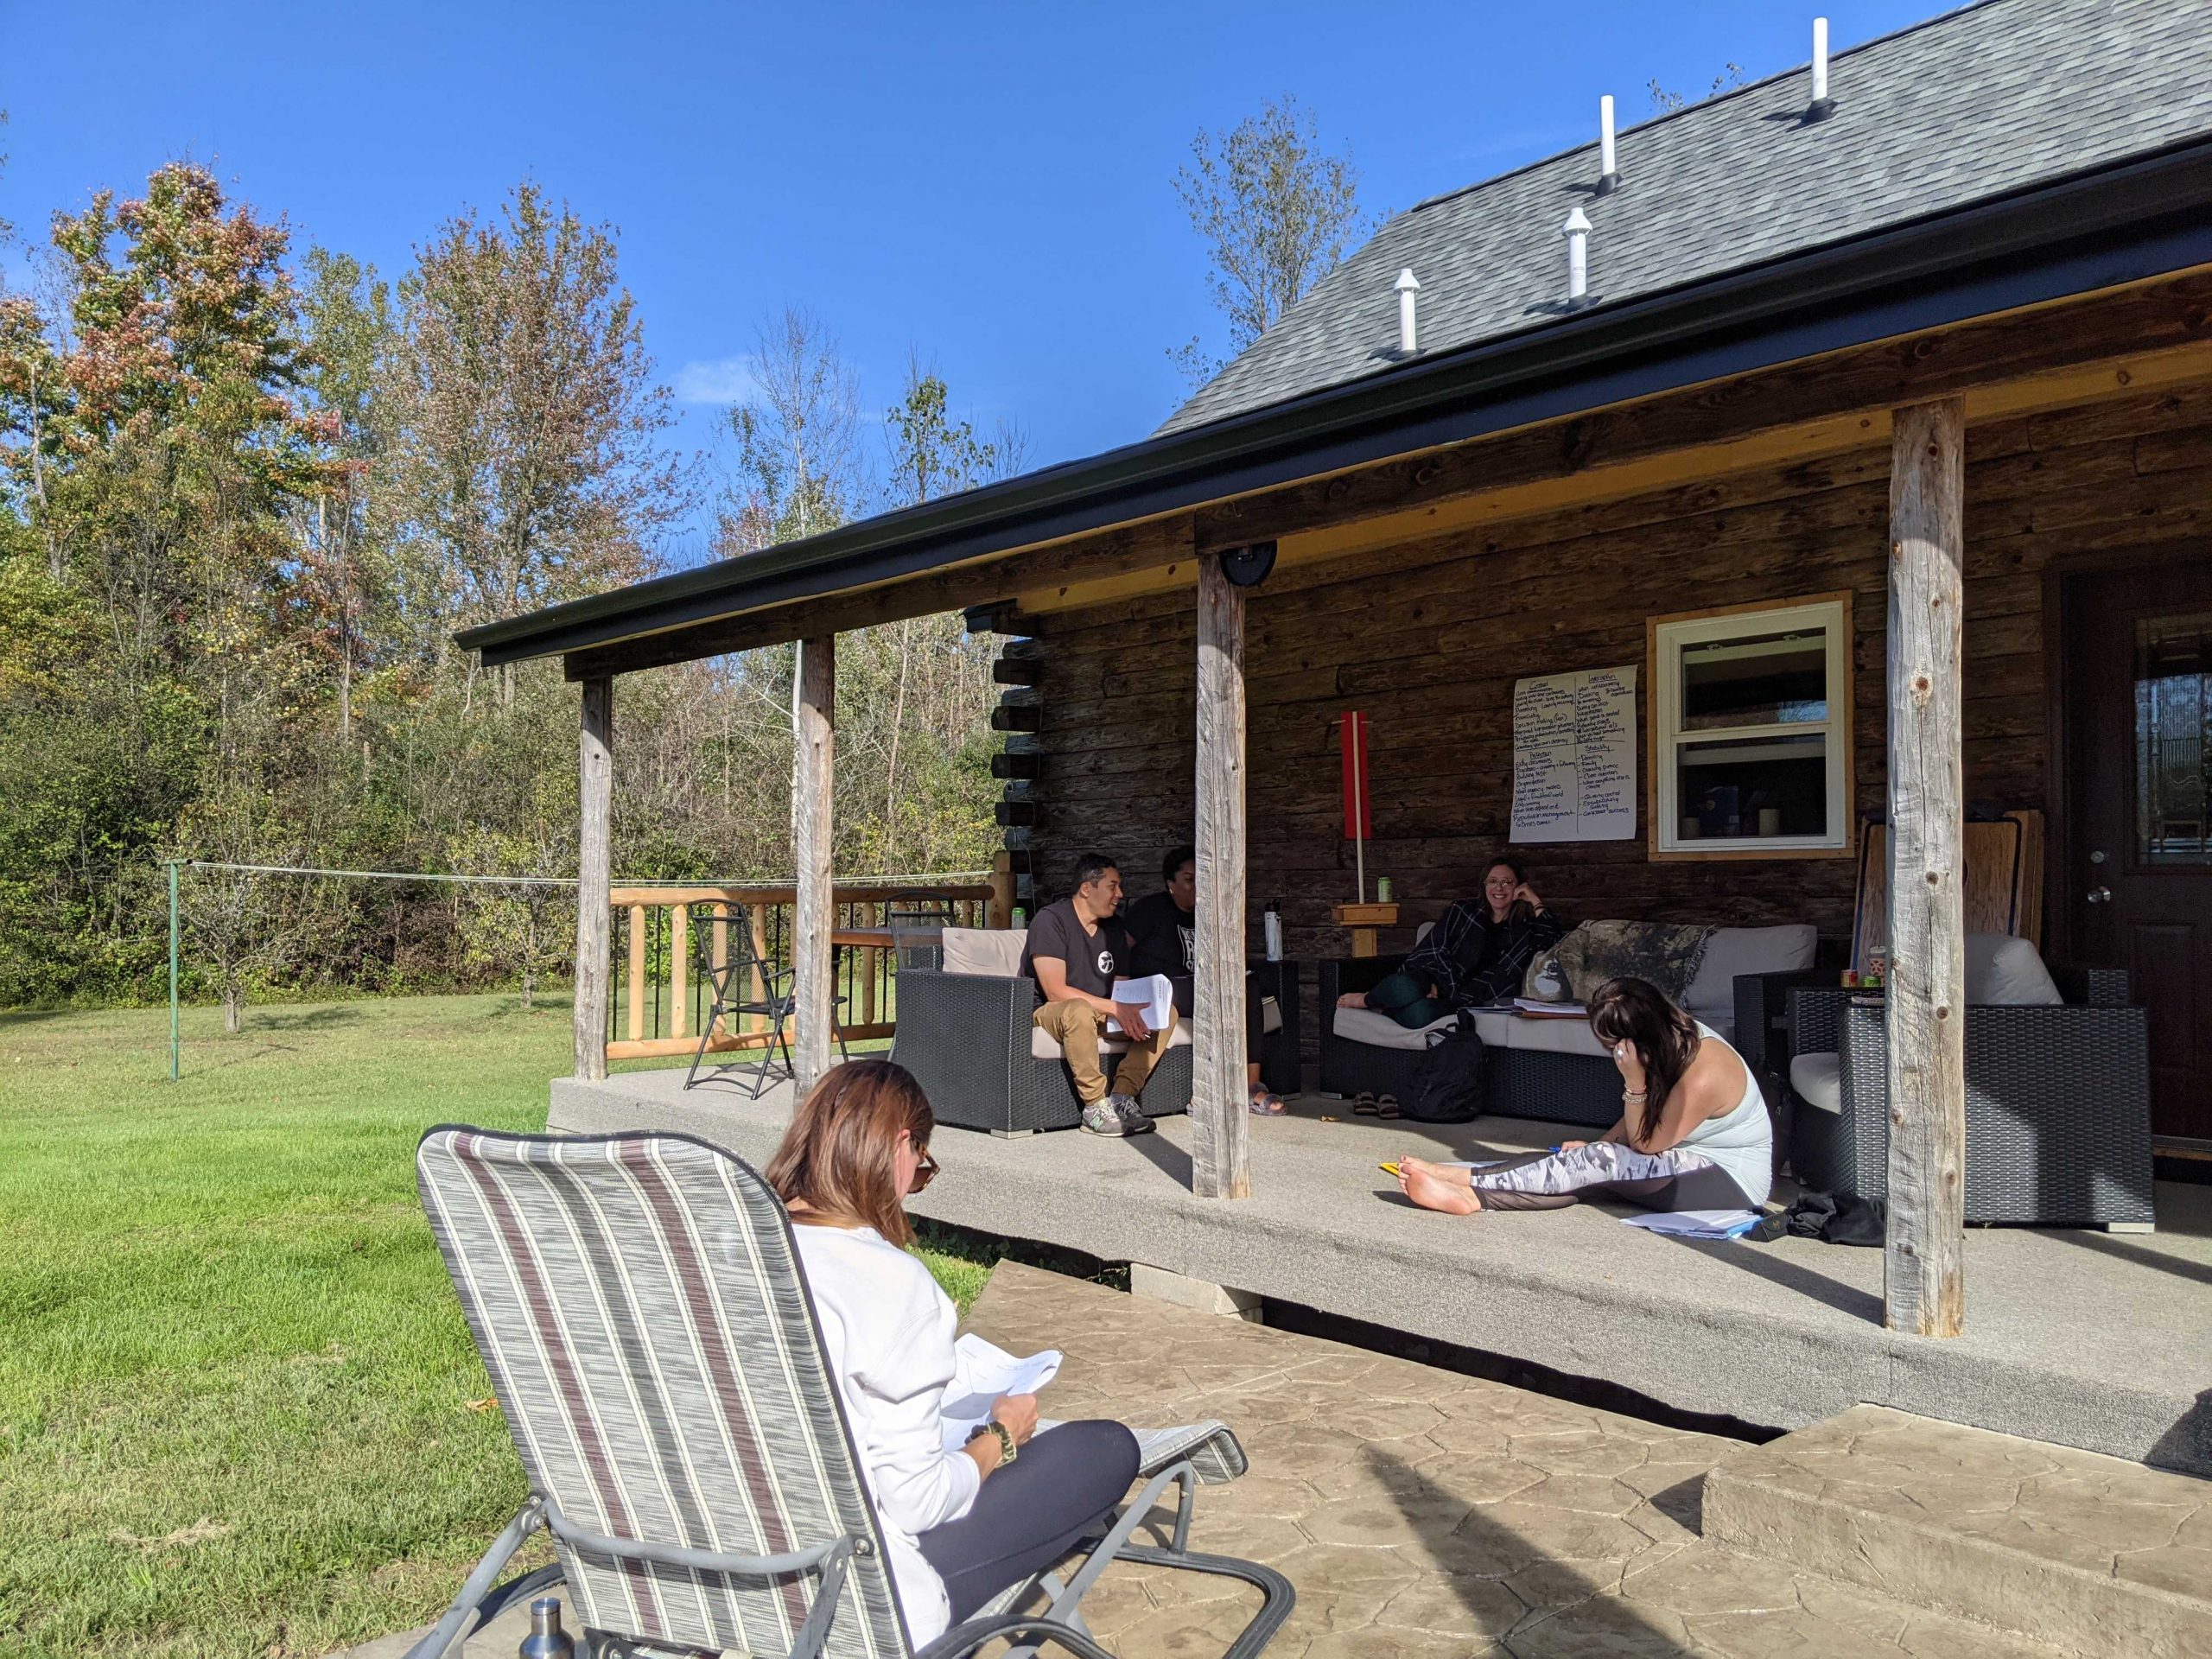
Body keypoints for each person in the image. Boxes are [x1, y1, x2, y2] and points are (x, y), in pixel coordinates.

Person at [768, 1061, 1141, 1643]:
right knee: (1105, 1448)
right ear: (900, 1146)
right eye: (921, 1166)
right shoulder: (891, 1284)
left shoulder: (727, 1250)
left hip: (712, 1567)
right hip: (857, 1592)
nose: (913, 1184)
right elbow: (916, 1502)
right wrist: (1000, 1439)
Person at [1395, 976, 1773, 1216]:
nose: (1613, 1055)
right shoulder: (1671, 1039)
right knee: (1583, 1162)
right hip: (1682, 1159)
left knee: (1599, 1163)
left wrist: (1634, 1084)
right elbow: (1648, 1121)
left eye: (1613, 1047)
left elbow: (1646, 1144)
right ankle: (1470, 1193)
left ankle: (1468, 1184)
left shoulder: (1702, 1074)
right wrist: (1600, 1142)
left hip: (1729, 1181)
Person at [1124, 844, 1286, 1115]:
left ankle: (1250, 1085)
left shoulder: (1207, 915)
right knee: (1204, 991)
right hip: (1159, 990)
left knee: (1246, 987)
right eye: (1189, 880)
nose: (1196, 887)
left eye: (1201, 879)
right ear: (1171, 884)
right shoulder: (1150, 910)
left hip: (1196, 988)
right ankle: (1207, 1089)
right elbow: (1120, 949)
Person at [1020, 851, 1171, 1137]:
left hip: (1100, 1011)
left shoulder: (1114, 928)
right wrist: (1115, 1007)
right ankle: (1094, 1107)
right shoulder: (1051, 920)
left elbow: (1122, 987)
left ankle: (1123, 1097)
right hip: (1051, 1012)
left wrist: (1132, 1011)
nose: (1120, 894)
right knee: (1078, 1009)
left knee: (1165, 1012)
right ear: (1087, 888)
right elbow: (1055, 991)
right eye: (1112, 886)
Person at [1337, 856, 1565, 1028]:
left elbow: (1553, 941)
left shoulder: (1524, 930)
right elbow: (1435, 948)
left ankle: (1386, 1009)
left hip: (1468, 997)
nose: (1499, 888)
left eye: (1507, 882)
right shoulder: (1463, 911)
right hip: (1435, 977)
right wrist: (1437, 984)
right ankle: (1367, 1000)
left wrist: (1535, 900)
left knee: (1422, 1015)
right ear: (1484, 885)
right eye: (1493, 881)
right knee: (1404, 985)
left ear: (1518, 888)